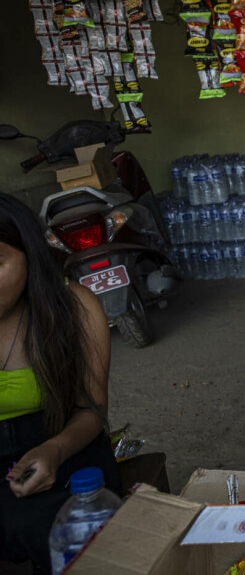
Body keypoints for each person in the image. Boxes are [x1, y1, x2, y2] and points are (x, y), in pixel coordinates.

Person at [0, 193, 120, 573]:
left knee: (54, 530)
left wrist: (54, 449)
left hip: (66, 451)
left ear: (29, 257)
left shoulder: (74, 309)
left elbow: (91, 410)